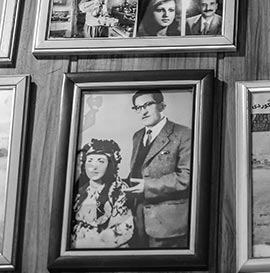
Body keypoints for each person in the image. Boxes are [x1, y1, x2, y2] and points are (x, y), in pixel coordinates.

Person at [123, 90, 192, 248]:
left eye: (147, 105)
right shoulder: (137, 136)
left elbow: (187, 177)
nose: (143, 111)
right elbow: (138, 171)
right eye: (138, 108)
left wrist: (147, 186)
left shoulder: (184, 134)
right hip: (138, 221)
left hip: (168, 226)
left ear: (162, 106)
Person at [71, 139, 134, 249]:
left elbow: (122, 230)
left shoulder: (119, 190)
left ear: (110, 164)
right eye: (90, 161)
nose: (94, 166)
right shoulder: (80, 191)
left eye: (100, 161)